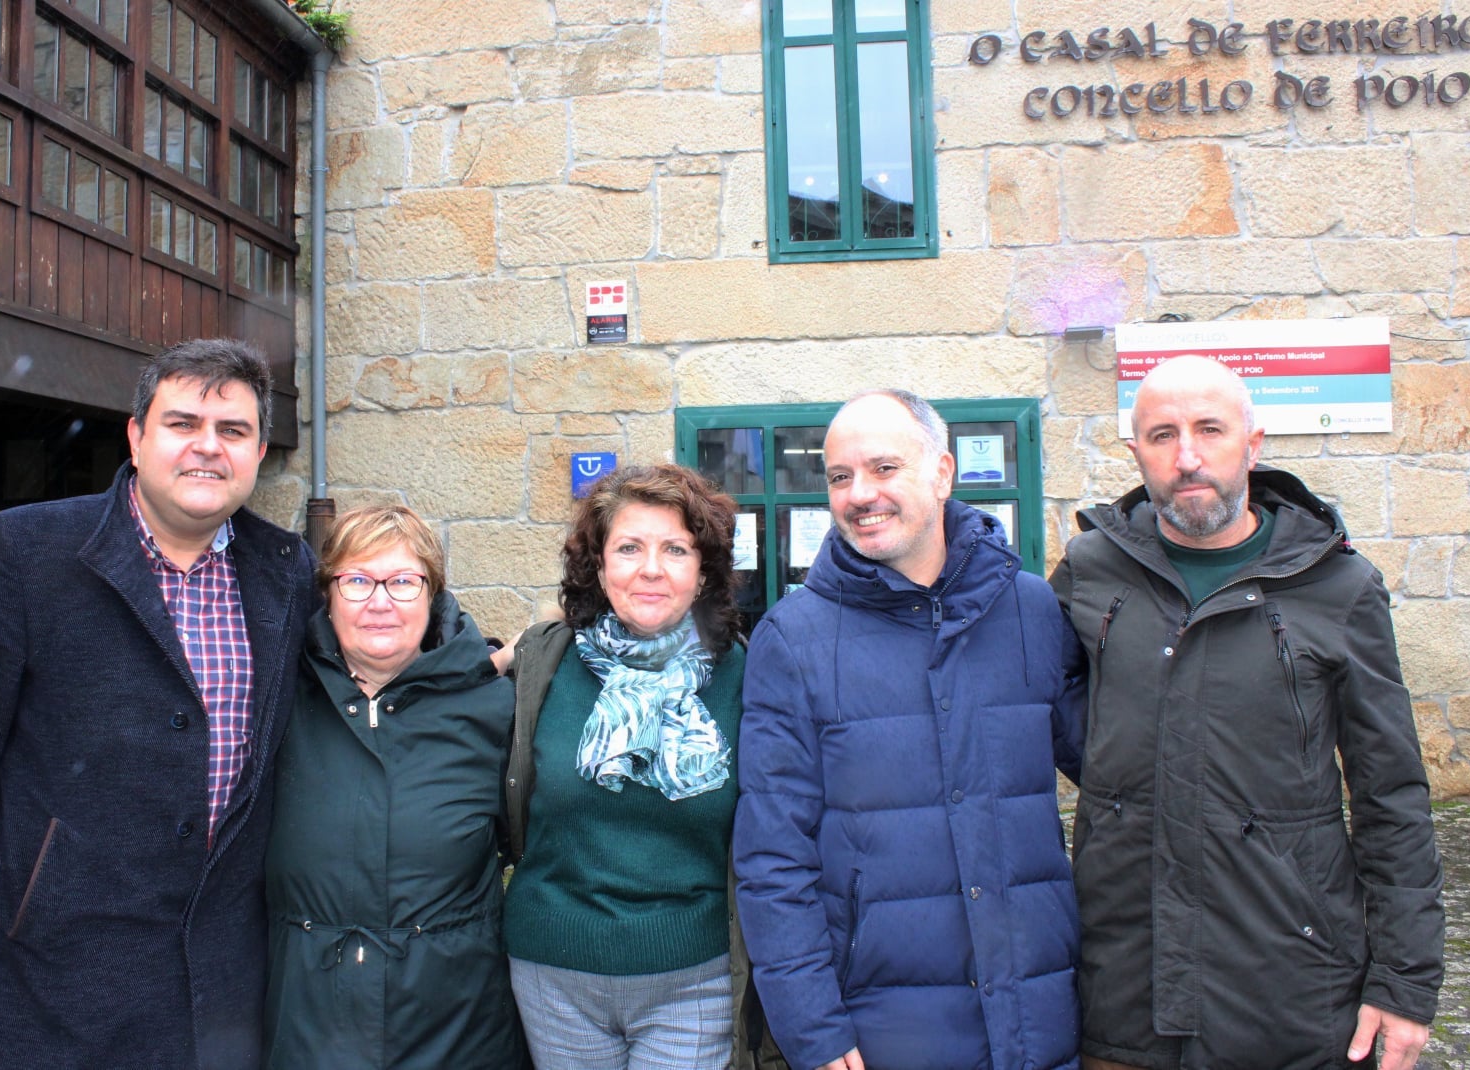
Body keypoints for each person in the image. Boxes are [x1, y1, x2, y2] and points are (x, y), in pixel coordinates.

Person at [0, 340, 315, 1070]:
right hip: (49, 967)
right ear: (137, 435)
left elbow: (385, 636)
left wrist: (492, 655)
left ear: (258, 448)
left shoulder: (286, 570)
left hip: (219, 980)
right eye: (182, 424)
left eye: (232, 431)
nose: (207, 448)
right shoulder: (23, 554)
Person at [1050, 355, 1444, 1070]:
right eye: (1162, 436)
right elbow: (1041, 703)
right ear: (1136, 452)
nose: (1188, 457)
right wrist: (1122, 784)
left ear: (1254, 445)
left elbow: (1391, 795)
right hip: (1122, 987)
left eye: (1210, 430)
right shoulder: (1090, 569)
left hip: (1288, 988)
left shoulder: (1339, 586)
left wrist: (1405, 981)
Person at [734, 389, 1087, 1070]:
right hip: (883, 1031)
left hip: (1038, 1017)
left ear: (942, 473)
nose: (860, 493)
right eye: (840, 477)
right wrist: (813, 1029)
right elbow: (772, 856)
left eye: (883, 468)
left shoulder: (1029, 611)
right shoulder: (796, 638)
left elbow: (1122, 771)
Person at [502, 463, 768, 1070]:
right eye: (629, 548)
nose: (651, 568)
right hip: (553, 971)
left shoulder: (747, 678)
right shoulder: (544, 662)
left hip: (692, 974)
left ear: (703, 573)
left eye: (675, 549)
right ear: (598, 567)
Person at [262, 504, 527, 1068]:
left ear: (431, 595)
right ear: (327, 595)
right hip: (309, 1029)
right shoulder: (278, 700)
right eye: (357, 580)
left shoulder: (495, 708)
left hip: (459, 1032)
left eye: (403, 582)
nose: (379, 601)